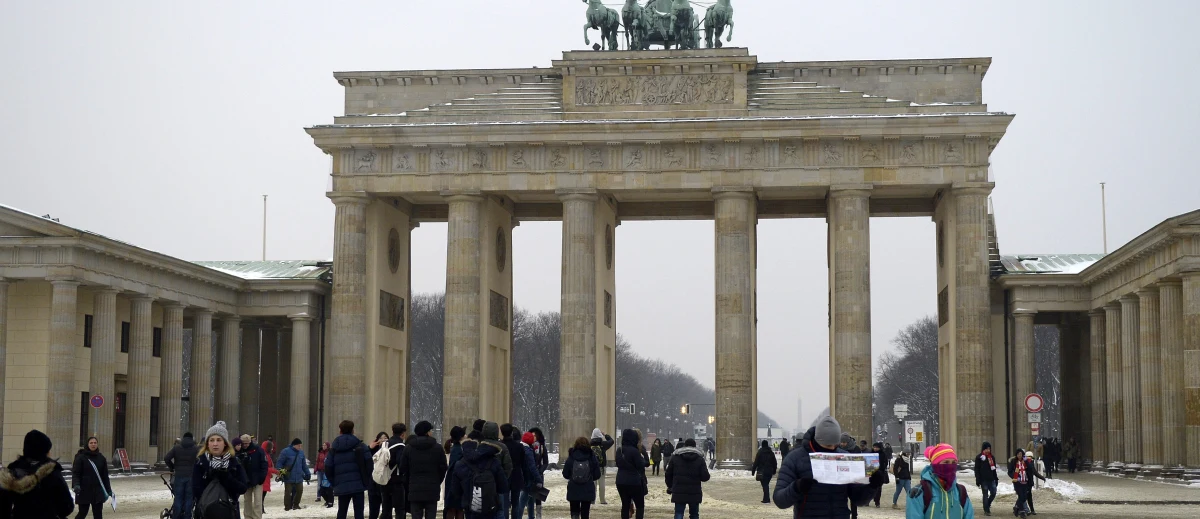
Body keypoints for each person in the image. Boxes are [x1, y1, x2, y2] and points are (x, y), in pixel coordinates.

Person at [773, 414, 887, 519]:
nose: (832, 448)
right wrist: (796, 487)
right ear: (818, 440)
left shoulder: (845, 458)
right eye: (828, 445)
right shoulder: (795, 458)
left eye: (835, 444)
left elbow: (858, 500)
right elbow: (779, 500)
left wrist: (872, 486)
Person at [0, 429, 74, 519]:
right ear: (44, 451)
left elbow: (3, 506)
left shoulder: (12, 471)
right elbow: (66, 507)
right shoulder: (52, 472)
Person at [450, 422, 508, 519]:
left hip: (470, 510)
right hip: (491, 508)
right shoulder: (494, 461)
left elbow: (455, 491)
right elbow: (503, 487)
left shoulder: (460, 464)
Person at [192, 421, 251, 518]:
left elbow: (243, 488)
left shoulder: (234, 463)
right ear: (207, 444)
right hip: (205, 513)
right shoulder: (200, 462)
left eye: (219, 440)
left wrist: (226, 478)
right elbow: (195, 490)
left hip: (229, 512)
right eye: (211, 440)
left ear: (225, 443)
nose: (215, 444)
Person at [905, 443, 973, 519]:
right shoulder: (919, 492)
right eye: (946, 462)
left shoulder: (960, 491)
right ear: (935, 465)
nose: (950, 466)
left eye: (954, 462)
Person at [399, 421, 448, 519]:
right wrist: (437, 480)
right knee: (431, 515)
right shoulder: (437, 448)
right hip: (432, 488)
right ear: (427, 432)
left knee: (416, 515)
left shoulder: (408, 448)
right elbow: (443, 467)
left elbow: (402, 468)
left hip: (414, 488)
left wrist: (409, 482)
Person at [328, 420, 373, 519]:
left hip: (341, 484)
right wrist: (366, 479)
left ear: (340, 431)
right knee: (359, 512)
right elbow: (369, 464)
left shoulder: (334, 448)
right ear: (353, 430)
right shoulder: (361, 446)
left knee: (342, 511)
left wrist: (334, 481)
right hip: (358, 484)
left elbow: (328, 466)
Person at [666, 439, 710, 519]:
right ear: (695, 446)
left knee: (679, 514)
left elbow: (668, 473)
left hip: (679, 490)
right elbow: (705, 477)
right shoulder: (699, 459)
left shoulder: (675, 457)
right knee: (694, 515)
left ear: (684, 446)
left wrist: (670, 486)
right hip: (694, 491)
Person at [70, 436, 113, 519]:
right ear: (87, 444)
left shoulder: (101, 458)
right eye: (91, 443)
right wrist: (76, 485)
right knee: (82, 513)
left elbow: (105, 476)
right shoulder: (80, 457)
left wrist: (108, 490)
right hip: (84, 490)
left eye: (95, 443)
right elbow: (76, 474)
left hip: (97, 491)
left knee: (98, 514)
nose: (93, 444)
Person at [562, 437, 602, 519]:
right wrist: (589, 478)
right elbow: (597, 474)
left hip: (573, 489)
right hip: (587, 489)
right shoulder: (591, 456)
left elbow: (565, 474)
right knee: (585, 514)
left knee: (574, 513)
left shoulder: (571, 456)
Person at [165, 431, 201, 519]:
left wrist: (172, 467)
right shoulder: (195, 448)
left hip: (179, 475)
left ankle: (176, 516)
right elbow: (200, 461)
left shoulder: (176, 448)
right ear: (192, 439)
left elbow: (166, 458)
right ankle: (187, 516)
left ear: (183, 438)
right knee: (189, 498)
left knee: (178, 497)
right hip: (191, 476)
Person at [614, 429, 647, 519]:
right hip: (634, 481)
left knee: (625, 505)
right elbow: (640, 466)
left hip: (620, 480)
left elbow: (618, 463)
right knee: (640, 505)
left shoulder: (619, 450)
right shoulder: (635, 451)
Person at [236, 434, 268, 519]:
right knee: (247, 501)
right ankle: (248, 517)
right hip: (246, 480)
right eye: (243, 443)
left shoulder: (259, 450)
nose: (245, 445)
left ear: (250, 442)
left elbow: (264, 464)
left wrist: (262, 477)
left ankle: (257, 517)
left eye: (247, 443)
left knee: (258, 501)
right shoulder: (239, 451)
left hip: (258, 480)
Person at [1008, 448, 1044, 518]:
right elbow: (1010, 472)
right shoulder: (1014, 462)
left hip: (1025, 481)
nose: (1019, 455)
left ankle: (1016, 507)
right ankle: (1022, 512)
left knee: (1024, 497)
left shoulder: (1025, 462)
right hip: (1017, 482)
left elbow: (1031, 469)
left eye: (1021, 454)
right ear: (1016, 455)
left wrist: (1026, 461)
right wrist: (1015, 477)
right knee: (1021, 496)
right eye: (1018, 454)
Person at [277, 438, 312, 511]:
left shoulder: (301, 453)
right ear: (294, 445)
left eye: (301, 445)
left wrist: (307, 473)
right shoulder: (285, 452)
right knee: (288, 492)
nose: (300, 447)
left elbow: (304, 465)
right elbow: (280, 462)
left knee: (300, 490)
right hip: (289, 476)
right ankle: (287, 506)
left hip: (299, 476)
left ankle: (296, 505)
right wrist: (280, 471)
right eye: (299, 445)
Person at [515, 432, 543, 519]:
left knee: (530, 499)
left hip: (522, 477)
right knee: (523, 501)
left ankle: (531, 516)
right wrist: (539, 479)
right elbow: (532, 467)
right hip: (529, 479)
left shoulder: (520, 448)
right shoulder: (528, 451)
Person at [368, 431, 392, 519]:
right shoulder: (373, 451)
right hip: (374, 484)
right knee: (374, 509)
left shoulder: (390, 450)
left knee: (387, 510)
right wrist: (369, 448)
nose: (383, 440)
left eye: (385, 438)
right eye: (381, 438)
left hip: (386, 483)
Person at [443, 426, 466, 519]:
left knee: (451, 508)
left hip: (451, 481)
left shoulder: (453, 448)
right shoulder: (460, 450)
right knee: (458, 509)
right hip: (458, 482)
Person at [526, 428, 549, 519]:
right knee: (529, 496)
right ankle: (531, 515)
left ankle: (539, 515)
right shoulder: (527, 447)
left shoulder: (542, 447)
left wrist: (540, 471)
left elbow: (546, 462)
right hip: (529, 474)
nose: (534, 437)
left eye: (535, 435)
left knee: (538, 495)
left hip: (539, 474)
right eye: (532, 435)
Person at [589, 429, 614, 505]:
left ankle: (592, 499)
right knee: (602, 483)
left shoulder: (589, 444)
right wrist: (605, 434)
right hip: (601, 467)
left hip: (592, 467)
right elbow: (611, 441)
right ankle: (602, 500)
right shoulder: (603, 444)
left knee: (593, 483)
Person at [974, 442, 998, 516]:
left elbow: (994, 469)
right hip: (983, 480)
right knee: (985, 494)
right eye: (986, 449)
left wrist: (996, 478)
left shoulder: (992, 457)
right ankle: (986, 510)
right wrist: (978, 479)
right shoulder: (979, 458)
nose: (988, 450)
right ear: (983, 449)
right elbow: (977, 469)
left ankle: (988, 504)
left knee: (993, 492)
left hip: (991, 479)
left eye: (989, 449)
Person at [750, 440, 777, 504]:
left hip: (762, 471)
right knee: (766, 484)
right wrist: (774, 470)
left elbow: (756, 462)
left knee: (765, 485)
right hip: (769, 471)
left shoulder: (760, 452)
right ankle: (766, 498)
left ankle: (767, 499)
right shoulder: (771, 452)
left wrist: (753, 471)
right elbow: (774, 462)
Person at [870, 442, 889, 507]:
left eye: (877, 447)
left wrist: (882, 468)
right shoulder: (871, 453)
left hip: (879, 473)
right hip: (871, 473)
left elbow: (885, 462)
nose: (875, 448)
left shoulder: (882, 454)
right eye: (874, 447)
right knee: (870, 487)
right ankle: (868, 500)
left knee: (878, 488)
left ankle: (877, 501)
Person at [316, 441, 335, 508]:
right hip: (321, 470)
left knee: (329, 488)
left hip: (328, 471)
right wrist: (316, 468)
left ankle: (330, 502)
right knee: (321, 487)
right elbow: (318, 461)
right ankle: (324, 499)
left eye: (325, 445)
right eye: (323, 445)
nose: (323, 446)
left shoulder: (330, 453)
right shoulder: (320, 452)